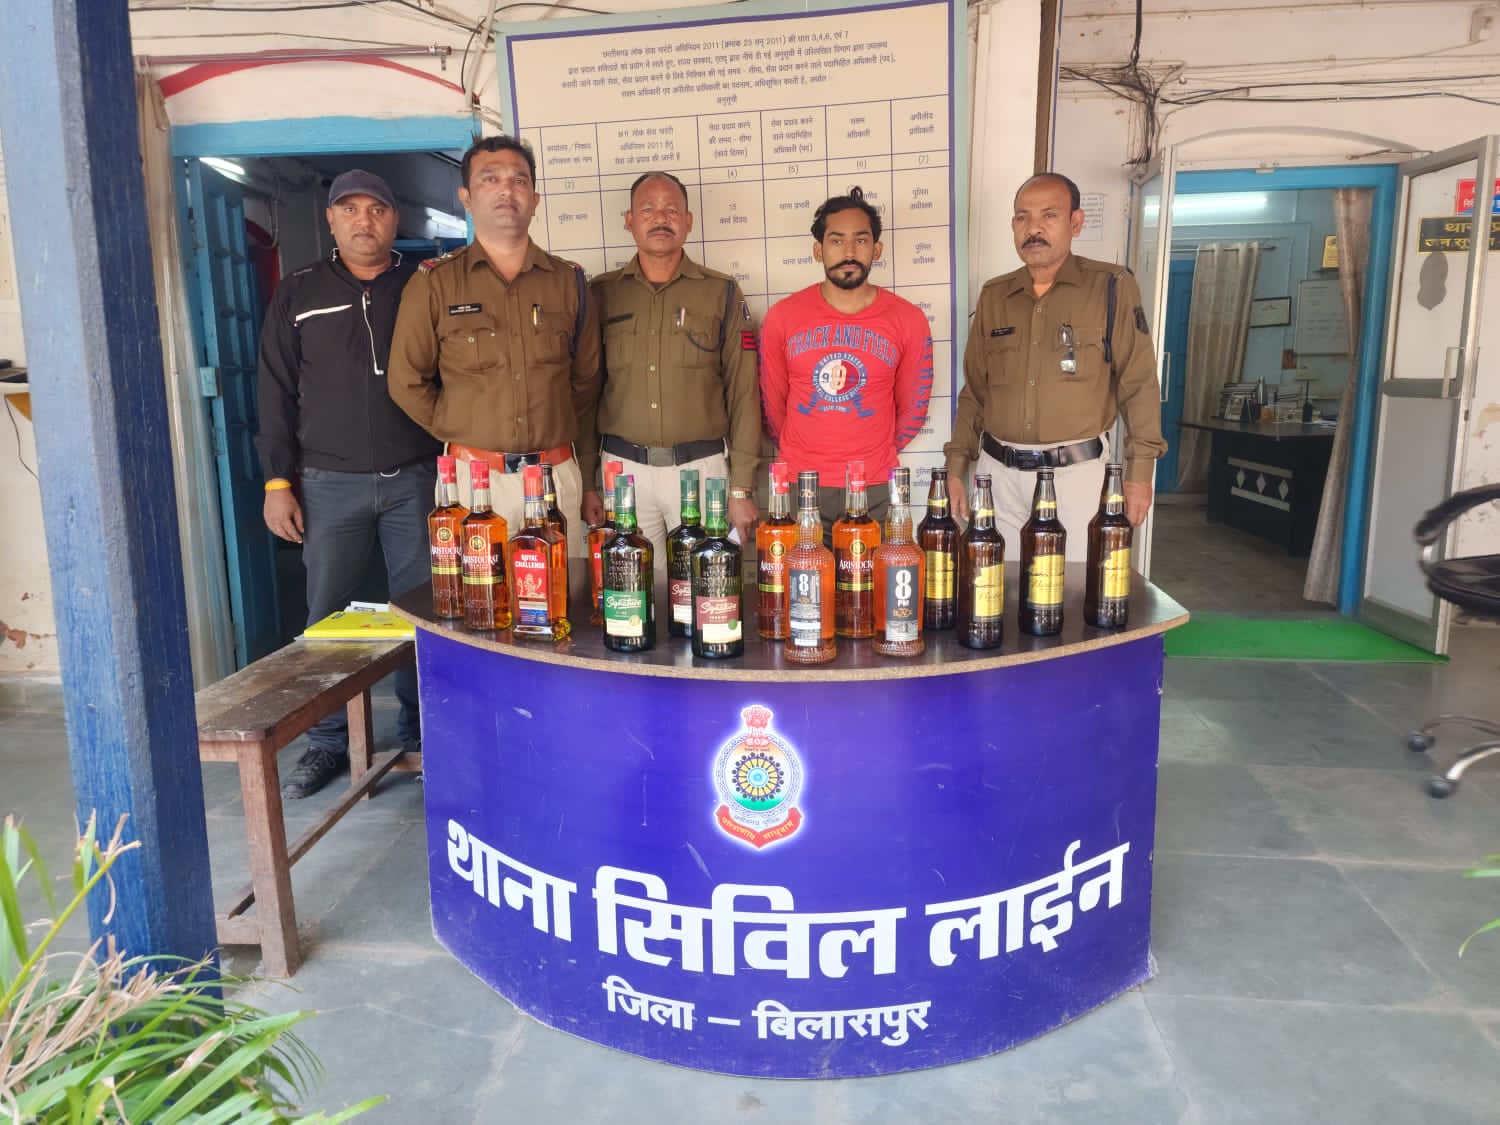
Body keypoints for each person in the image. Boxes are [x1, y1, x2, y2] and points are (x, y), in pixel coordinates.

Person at [256, 168, 441, 799]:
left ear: (395, 219)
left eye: (377, 209)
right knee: (326, 618)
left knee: (424, 610)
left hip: (415, 479)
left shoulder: (421, 286)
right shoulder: (300, 291)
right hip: (329, 483)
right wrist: (277, 481)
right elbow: (275, 389)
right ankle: (326, 741)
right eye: (350, 209)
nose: (365, 220)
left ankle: (422, 734)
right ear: (331, 219)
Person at [387, 135, 601, 557]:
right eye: (490, 179)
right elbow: (406, 381)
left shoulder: (569, 281)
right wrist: (461, 426)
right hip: (474, 480)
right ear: (466, 197)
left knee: (561, 592)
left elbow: (586, 379)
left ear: (535, 199)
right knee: (481, 593)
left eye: (519, 180)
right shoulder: (435, 282)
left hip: (555, 476)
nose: (506, 190)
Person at [943, 172, 1165, 557]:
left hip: (1076, 479)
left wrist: (1139, 474)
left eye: (1049, 215)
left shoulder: (1111, 286)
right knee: (994, 584)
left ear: (1075, 222)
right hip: (998, 479)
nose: (1033, 229)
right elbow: (975, 393)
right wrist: (956, 467)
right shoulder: (995, 295)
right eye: (1022, 217)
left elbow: (1139, 384)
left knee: (1074, 586)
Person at [585, 172, 762, 555]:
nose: (660, 218)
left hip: (701, 472)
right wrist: (586, 482)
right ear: (629, 220)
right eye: (648, 209)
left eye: (671, 210)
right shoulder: (601, 294)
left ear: (688, 221)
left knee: (704, 584)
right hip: (624, 473)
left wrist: (741, 487)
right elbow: (585, 393)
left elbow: (744, 392)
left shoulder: (721, 292)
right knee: (633, 584)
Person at [758, 185, 933, 533]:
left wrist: (872, 451)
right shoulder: (783, 317)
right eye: (836, 241)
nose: (849, 252)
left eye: (861, 240)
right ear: (818, 250)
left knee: (877, 572)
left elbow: (913, 408)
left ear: (876, 249)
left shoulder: (908, 319)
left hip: (875, 486)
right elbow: (772, 408)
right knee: (802, 572)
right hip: (800, 485)